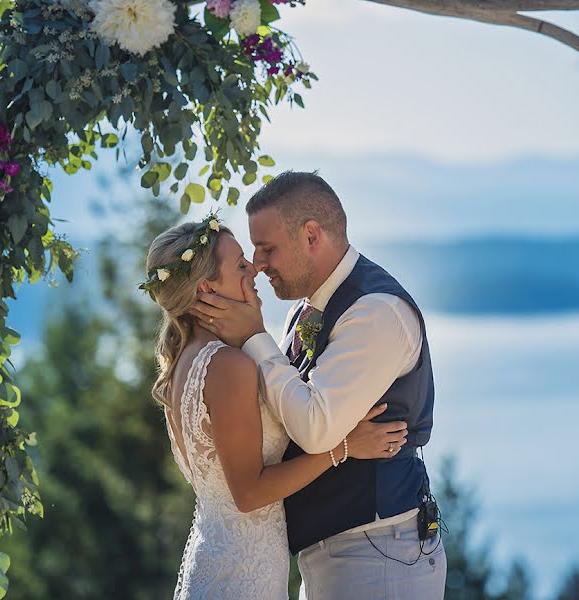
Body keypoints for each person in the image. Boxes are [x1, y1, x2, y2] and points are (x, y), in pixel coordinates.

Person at [192, 171, 446, 599]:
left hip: (380, 553)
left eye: (267, 248)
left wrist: (255, 338)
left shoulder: (376, 311)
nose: (257, 264)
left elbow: (314, 429)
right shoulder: (308, 310)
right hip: (341, 550)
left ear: (311, 235)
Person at [144, 215, 408, 599]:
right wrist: (343, 447)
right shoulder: (228, 366)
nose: (254, 268)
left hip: (223, 558)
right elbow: (249, 493)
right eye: (239, 265)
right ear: (206, 289)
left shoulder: (185, 359)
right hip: (243, 575)